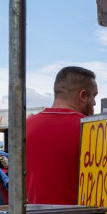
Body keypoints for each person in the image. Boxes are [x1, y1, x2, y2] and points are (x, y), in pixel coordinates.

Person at [26, 66, 98, 205]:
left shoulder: (25, 127)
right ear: (83, 95)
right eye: (93, 96)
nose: (94, 102)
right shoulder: (92, 129)